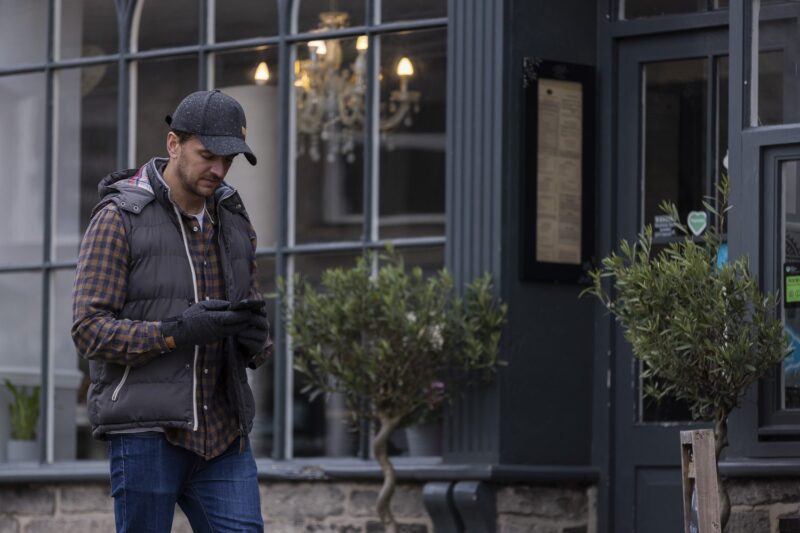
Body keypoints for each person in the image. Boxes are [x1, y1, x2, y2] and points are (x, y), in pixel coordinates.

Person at [72, 89, 271, 533]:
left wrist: (256, 339)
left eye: (228, 160)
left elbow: (255, 324)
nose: (218, 170)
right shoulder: (119, 218)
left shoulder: (235, 222)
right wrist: (174, 332)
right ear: (173, 143)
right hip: (146, 433)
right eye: (208, 156)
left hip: (224, 435)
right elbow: (88, 330)